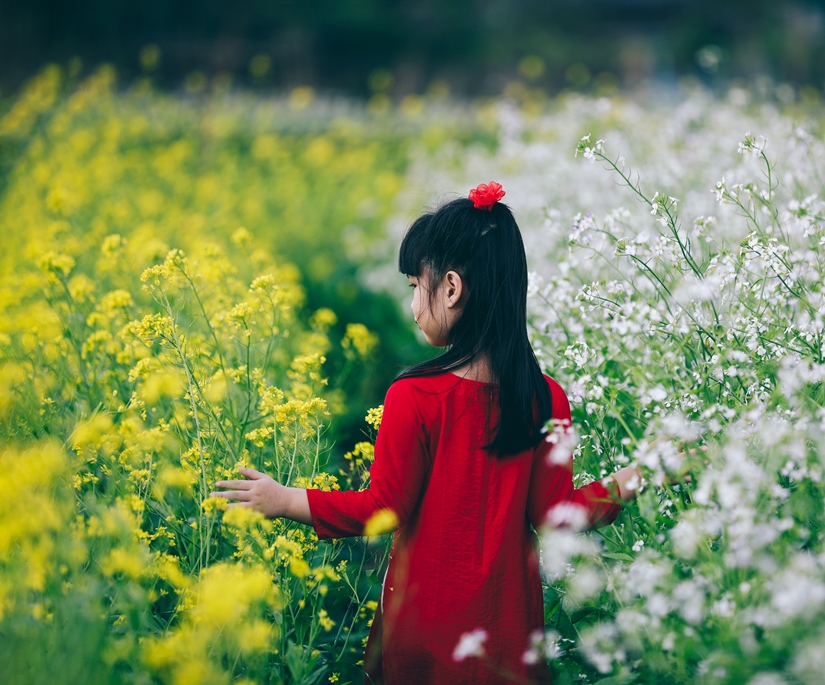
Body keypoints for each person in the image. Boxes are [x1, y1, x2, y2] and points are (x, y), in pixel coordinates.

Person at [212, 182, 641, 684]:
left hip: (424, 638)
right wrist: (641, 474)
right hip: (508, 639)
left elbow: (382, 508)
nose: (414, 305)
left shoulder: (415, 396)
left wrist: (285, 499)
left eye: (417, 286)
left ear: (452, 289)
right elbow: (557, 514)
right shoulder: (545, 398)